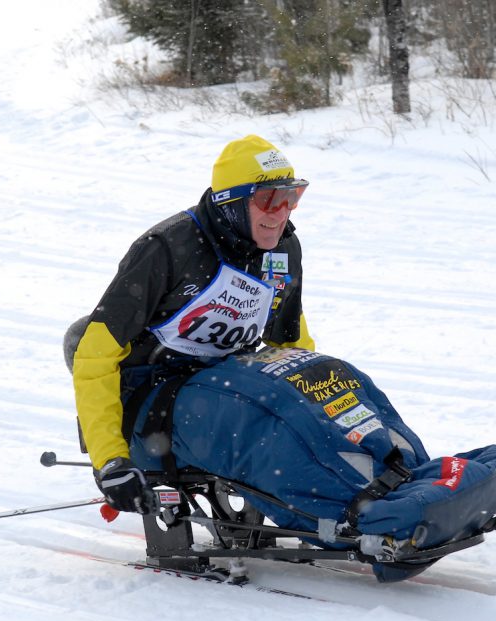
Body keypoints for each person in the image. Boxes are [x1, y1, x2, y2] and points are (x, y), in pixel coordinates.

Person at [68, 135, 315, 514]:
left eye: (291, 197)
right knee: (255, 427)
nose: (281, 212)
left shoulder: (282, 248)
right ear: (230, 203)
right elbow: (93, 357)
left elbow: (292, 346)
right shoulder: (166, 250)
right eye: (269, 198)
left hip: (226, 384)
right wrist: (111, 460)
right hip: (152, 403)